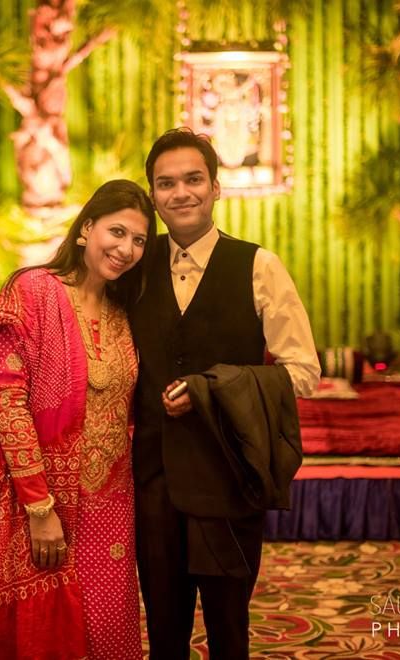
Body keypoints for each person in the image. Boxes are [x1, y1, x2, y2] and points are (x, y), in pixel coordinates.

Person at [0, 179, 155, 659]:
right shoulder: (34, 291)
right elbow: (7, 403)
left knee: (107, 630)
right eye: (116, 232)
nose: (126, 249)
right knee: (38, 637)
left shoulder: (125, 311)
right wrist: (41, 509)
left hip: (111, 502)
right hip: (38, 502)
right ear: (86, 229)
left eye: (139, 240)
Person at [129, 128, 320, 660]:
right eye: (165, 183)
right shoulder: (133, 273)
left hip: (229, 478)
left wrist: (213, 390)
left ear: (217, 188)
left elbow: (303, 371)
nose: (180, 192)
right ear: (153, 196)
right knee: (163, 630)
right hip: (153, 480)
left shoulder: (259, 266)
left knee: (228, 629)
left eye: (193, 179)